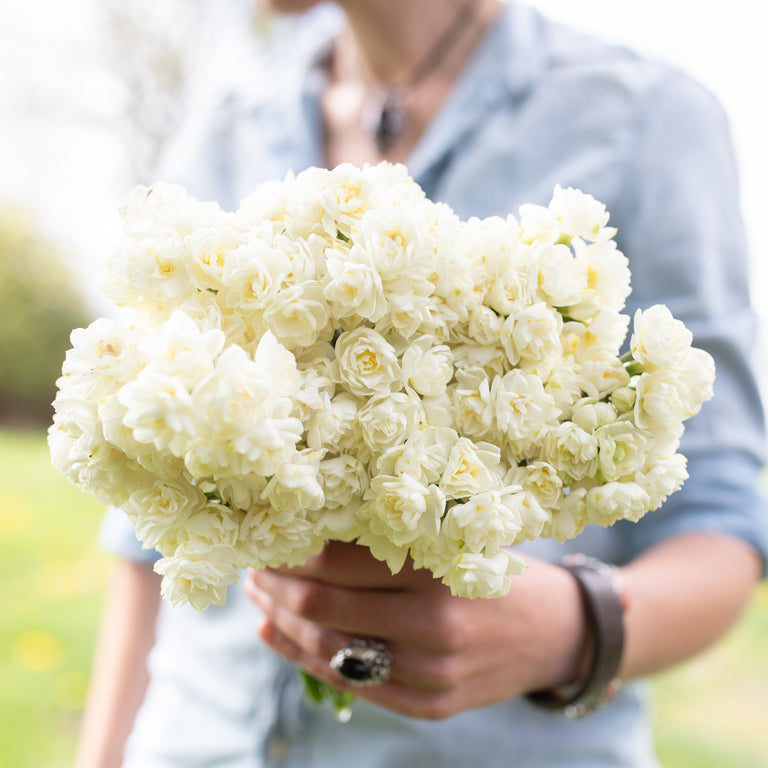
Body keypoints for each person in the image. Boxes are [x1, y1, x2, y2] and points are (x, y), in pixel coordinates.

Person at [74, 1, 768, 766]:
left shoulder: (643, 118)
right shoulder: (232, 114)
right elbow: (145, 542)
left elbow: (721, 524)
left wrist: (570, 630)